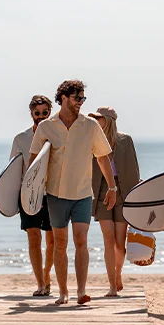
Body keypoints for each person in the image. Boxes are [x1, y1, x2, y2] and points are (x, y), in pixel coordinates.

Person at [29, 80, 116, 306]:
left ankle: (81, 291)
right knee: (59, 243)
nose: (81, 102)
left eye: (83, 98)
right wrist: (31, 193)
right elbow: (34, 162)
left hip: (82, 194)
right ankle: (63, 292)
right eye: (77, 98)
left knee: (81, 240)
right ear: (64, 98)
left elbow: (103, 156)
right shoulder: (46, 127)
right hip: (55, 195)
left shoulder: (90, 126)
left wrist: (112, 187)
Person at [89, 106, 140, 296]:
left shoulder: (125, 141)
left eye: (98, 118)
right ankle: (112, 285)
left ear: (108, 120)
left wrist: (137, 196)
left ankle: (118, 274)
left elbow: (134, 168)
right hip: (101, 190)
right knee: (108, 239)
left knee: (120, 241)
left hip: (123, 191)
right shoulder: (92, 140)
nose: (95, 121)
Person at [10, 95, 55, 296]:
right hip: (28, 194)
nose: (41, 117)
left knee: (53, 240)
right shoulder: (21, 139)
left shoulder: (58, 136)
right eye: (37, 113)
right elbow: (13, 170)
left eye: (45, 113)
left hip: (53, 193)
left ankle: (46, 273)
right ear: (31, 113)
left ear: (50, 112)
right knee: (34, 237)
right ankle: (40, 283)